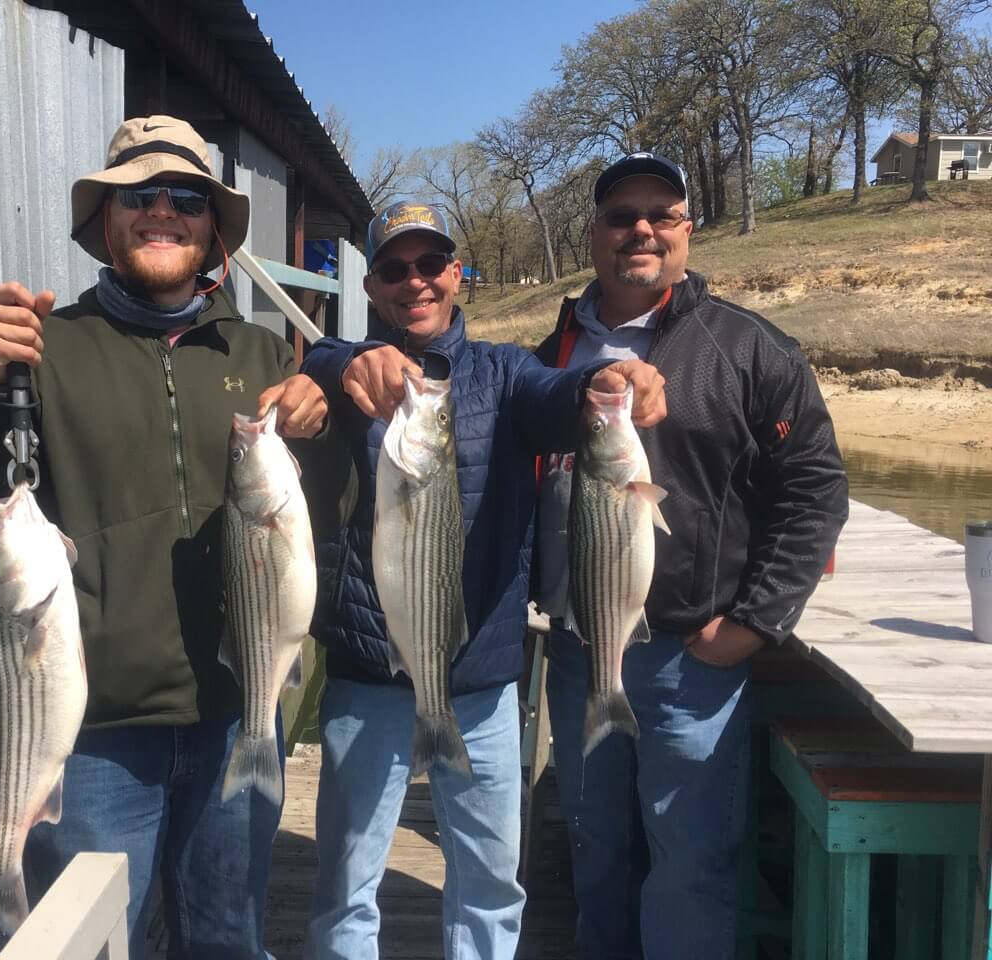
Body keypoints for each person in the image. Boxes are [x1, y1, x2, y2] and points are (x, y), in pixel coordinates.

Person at [0, 115, 332, 959]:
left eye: (185, 195)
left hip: (236, 713)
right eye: (136, 195)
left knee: (229, 940)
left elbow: (318, 528)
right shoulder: (48, 351)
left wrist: (322, 431)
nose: (162, 210)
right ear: (106, 223)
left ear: (212, 224)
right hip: (91, 738)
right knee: (96, 945)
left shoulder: (262, 352)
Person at [297, 201, 668, 959]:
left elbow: (556, 396)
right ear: (372, 286)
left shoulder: (503, 372)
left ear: (456, 274)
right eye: (396, 269)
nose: (416, 283)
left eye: (431, 265)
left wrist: (605, 382)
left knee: (492, 885)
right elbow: (314, 362)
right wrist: (341, 366)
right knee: (344, 888)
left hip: (485, 684)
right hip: (365, 681)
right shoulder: (348, 377)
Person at [533, 153, 848, 959]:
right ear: (593, 234)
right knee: (593, 855)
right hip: (576, 652)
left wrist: (756, 620)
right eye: (619, 216)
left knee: (690, 865)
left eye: (660, 214)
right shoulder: (550, 352)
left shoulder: (749, 347)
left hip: (692, 662)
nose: (639, 229)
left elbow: (815, 488)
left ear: (686, 230)